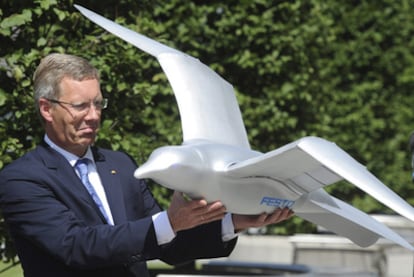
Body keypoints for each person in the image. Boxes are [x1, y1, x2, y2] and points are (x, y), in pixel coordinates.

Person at [0, 53, 293, 277]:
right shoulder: (21, 179)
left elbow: (169, 243)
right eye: (80, 106)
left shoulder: (120, 165)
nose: (93, 116)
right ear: (46, 109)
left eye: (98, 104)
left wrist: (235, 221)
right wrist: (170, 222)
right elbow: (77, 246)